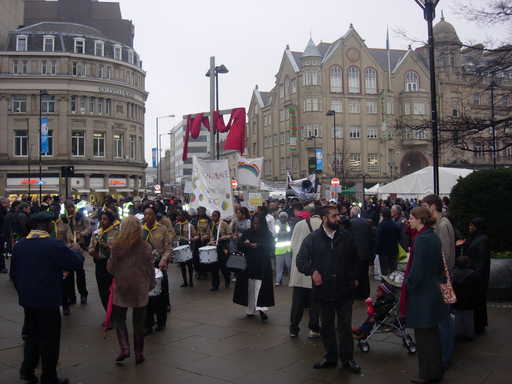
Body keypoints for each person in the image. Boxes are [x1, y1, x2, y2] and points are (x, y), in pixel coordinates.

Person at [11, 212, 84, 384]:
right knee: (49, 340)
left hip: (28, 300)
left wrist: (24, 291)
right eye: (51, 224)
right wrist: (77, 251)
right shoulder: (53, 245)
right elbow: (75, 263)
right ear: (47, 226)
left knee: (31, 336)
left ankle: (27, 370)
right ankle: (48, 376)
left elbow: (14, 274)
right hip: (48, 300)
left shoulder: (20, 245)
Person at [296, 206, 361, 374]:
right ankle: (331, 356)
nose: (337, 218)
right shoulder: (313, 239)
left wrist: (353, 277)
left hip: (344, 289)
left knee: (345, 326)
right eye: (334, 216)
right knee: (326, 325)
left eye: (338, 215)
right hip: (323, 290)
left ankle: (348, 359)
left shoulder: (346, 237)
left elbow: (356, 259)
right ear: (325, 218)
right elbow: (301, 260)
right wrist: (312, 271)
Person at [107, 216, 155, 365]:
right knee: (139, 322)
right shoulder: (145, 246)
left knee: (119, 319)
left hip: (122, 285)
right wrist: (151, 283)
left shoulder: (116, 245)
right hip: (140, 286)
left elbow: (111, 268)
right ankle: (139, 353)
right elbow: (150, 268)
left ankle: (125, 348)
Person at [406, 207, 444, 384]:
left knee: (424, 337)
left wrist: (408, 283)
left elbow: (418, 269)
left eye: (411, 218)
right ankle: (435, 371)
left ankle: (427, 374)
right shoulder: (433, 237)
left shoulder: (421, 239)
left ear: (420, 219)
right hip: (432, 290)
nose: (409, 221)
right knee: (432, 335)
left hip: (423, 294)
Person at [422, 194, 456, 368]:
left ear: (433, 206)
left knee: (443, 321)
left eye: (424, 206)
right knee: (444, 320)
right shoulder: (441, 224)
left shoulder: (442, 225)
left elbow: (444, 256)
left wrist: (437, 279)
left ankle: (444, 358)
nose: (423, 209)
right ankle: (444, 354)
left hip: (442, 280)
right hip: (443, 279)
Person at [233, 213, 275, 321]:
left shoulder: (267, 234)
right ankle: (250, 309)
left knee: (261, 288)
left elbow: (271, 247)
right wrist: (246, 244)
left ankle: (261, 310)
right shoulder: (247, 232)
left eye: (258, 223)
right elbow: (239, 246)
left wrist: (258, 245)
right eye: (254, 223)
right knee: (250, 288)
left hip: (262, 265)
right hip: (249, 265)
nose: (255, 225)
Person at [289, 207, 321, 338]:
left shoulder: (299, 224)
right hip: (315, 270)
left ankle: (294, 328)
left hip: (299, 269)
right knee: (315, 302)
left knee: (297, 301)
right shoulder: (322, 225)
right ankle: (314, 329)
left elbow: (292, 245)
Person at [55, 200, 90, 306]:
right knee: (69, 275)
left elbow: (88, 228)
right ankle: (71, 297)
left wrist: (82, 234)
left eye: (71, 207)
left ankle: (83, 294)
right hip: (68, 247)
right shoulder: (63, 219)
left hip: (79, 247)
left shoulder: (80, 216)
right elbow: (59, 233)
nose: (70, 209)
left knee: (80, 272)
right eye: (68, 207)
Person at [142, 206, 172, 326]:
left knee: (161, 295)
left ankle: (161, 321)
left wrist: (164, 260)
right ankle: (148, 322)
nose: (147, 217)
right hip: (145, 266)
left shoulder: (162, 229)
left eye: (150, 214)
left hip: (159, 265)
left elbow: (168, 248)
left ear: (154, 216)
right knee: (146, 296)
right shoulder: (140, 230)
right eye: (145, 214)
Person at [89, 210, 119, 312]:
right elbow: (91, 247)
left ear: (110, 221)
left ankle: (114, 313)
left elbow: (120, 250)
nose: (102, 221)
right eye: (101, 219)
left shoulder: (116, 233)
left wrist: (108, 247)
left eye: (105, 219)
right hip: (100, 264)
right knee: (102, 290)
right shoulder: (96, 233)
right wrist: (92, 251)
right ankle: (108, 313)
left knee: (113, 290)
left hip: (112, 264)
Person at [464, 217, 490, 334]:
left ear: (477, 227)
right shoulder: (476, 238)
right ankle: (477, 324)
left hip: (478, 276)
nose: (470, 228)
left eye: (472, 226)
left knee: (479, 301)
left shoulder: (482, 239)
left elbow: (481, 260)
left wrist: (476, 275)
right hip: (475, 274)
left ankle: (479, 325)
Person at [452, 256, 480, 341]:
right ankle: (469, 334)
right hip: (469, 301)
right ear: (467, 264)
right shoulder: (473, 274)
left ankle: (457, 333)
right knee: (469, 319)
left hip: (457, 300)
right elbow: (477, 288)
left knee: (457, 318)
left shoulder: (453, 274)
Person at [349, 206, 375, 300]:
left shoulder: (350, 223)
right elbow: (372, 238)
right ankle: (365, 294)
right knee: (364, 275)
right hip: (365, 253)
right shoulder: (366, 223)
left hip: (354, 254)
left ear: (352, 213)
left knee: (354, 274)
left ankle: (356, 294)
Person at [209, 210, 232, 291]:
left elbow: (230, 235)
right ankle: (215, 285)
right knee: (214, 267)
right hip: (214, 248)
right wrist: (211, 241)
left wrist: (223, 237)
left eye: (215, 215)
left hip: (223, 247)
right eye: (212, 215)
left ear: (218, 216)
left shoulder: (224, 224)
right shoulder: (212, 224)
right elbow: (212, 235)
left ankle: (227, 280)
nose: (213, 217)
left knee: (223, 267)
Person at [174, 210, 196, 287]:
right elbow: (175, 235)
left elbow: (195, 235)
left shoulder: (190, 226)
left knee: (189, 265)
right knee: (182, 265)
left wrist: (192, 239)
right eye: (178, 216)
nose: (178, 217)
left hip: (187, 246)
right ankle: (185, 281)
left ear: (184, 216)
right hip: (180, 245)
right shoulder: (177, 225)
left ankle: (190, 281)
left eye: (179, 216)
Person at [375, 207, 400, 276]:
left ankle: (385, 285)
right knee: (393, 271)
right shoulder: (395, 224)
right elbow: (399, 238)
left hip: (383, 253)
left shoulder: (381, 225)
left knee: (384, 272)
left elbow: (378, 239)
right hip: (394, 251)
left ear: (382, 215)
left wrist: (376, 251)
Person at [274, 211, 292, 286]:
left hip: (288, 249)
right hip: (279, 250)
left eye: (284, 217)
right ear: (279, 218)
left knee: (289, 265)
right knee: (279, 267)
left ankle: (291, 280)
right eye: (282, 217)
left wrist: (282, 234)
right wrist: (283, 233)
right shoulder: (277, 225)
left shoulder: (288, 225)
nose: (283, 218)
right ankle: (278, 281)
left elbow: (289, 234)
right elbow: (275, 235)